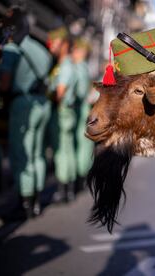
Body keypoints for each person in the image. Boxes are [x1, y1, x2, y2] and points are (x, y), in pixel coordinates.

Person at [0, 7, 52, 217]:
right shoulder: (40, 49)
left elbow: (4, 84)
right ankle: (37, 201)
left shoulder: (12, 48)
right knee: (37, 153)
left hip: (23, 103)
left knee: (22, 154)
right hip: (42, 102)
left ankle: (24, 203)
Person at [46, 27, 78, 202]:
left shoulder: (65, 65)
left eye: (56, 41)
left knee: (61, 151)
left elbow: (60, 92)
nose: (52, 45)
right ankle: (69, 188)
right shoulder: (66, 64)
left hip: (62, 111)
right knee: (68, 149)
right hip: (68, 111)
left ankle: (63, 190)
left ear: (64, 44)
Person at [71, 38, 93, 190]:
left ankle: (79, 177)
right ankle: (84, 175)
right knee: (85, 143)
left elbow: (77, 91)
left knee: (79, 143)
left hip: (80, 107)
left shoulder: (78, 67)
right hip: (86, 107)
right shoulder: (86, 67)